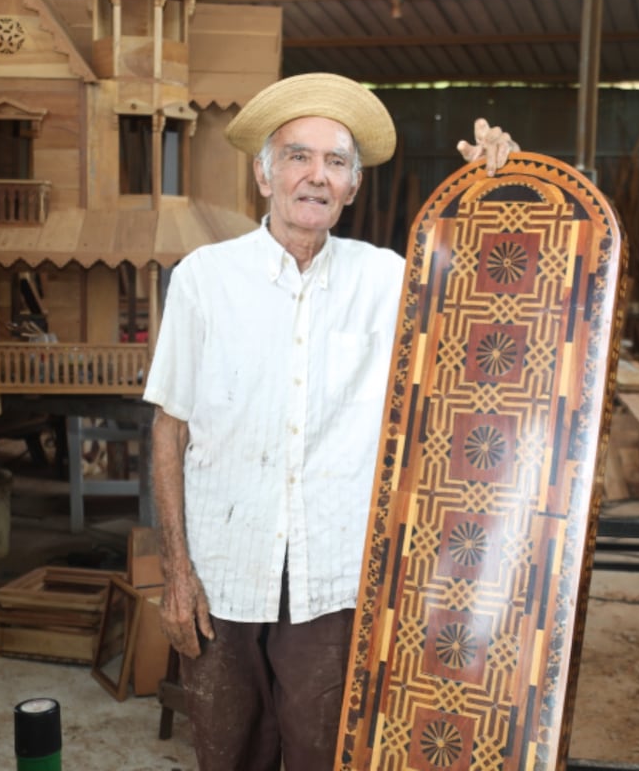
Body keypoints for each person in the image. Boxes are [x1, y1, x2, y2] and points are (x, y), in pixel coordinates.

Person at [143, 72, 518, 771]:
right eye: (298, 157)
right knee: (228, 754)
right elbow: (170, 427)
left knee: (329, 754)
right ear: (264, 176)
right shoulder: (204, 279)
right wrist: (177, 572)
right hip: (224, 578)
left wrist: (492, 189)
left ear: (352, 187)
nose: (316, 176)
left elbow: (491, 300)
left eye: (336, 163)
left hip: (335, 579)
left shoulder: (389, 282)